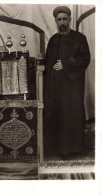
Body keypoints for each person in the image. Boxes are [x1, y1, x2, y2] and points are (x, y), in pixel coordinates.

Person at [43, 6, 90, 159]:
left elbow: (85, 59)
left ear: (69, 20)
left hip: (72, 87)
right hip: (55, 88)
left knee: (71, 116)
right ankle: (57, 149)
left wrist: (65, 64)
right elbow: (48, 61)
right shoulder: (53, 39)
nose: (62, 22)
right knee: (57, 116)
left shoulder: (80, 38)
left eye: (65, 19)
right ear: (55, 21)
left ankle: (73, 150)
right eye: (59, 19)